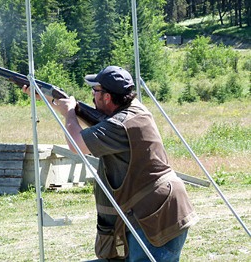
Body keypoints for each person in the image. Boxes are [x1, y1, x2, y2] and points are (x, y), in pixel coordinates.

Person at [23, 66, 198, 261]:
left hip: (155, 217)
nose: (92, 95)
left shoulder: (121, 123)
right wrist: (51, 100)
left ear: (107, 97)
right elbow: (99, 121)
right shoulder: (134, 110)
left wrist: (70, 113)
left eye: (95, 91)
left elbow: (77, 144)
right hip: (157, 211)